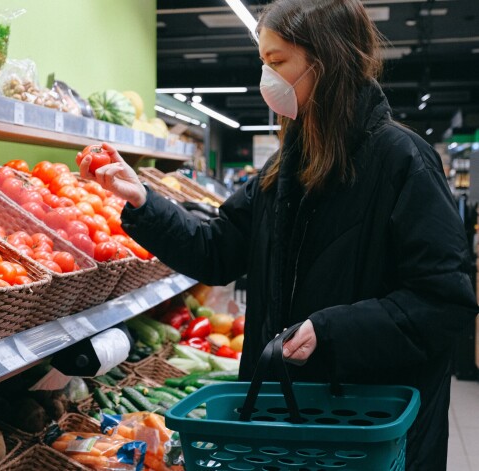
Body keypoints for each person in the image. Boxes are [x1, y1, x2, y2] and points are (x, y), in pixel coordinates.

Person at [78, 0, 477, 469]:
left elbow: (443, 301)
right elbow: (218, 252)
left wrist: (331, 331)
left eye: (278, 61)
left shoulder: (403, 161)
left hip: (368, 426)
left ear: (327, 61)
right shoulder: (284, 167)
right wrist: (143, 200)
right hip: (288, 416)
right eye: (262, 61)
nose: (266, 78)